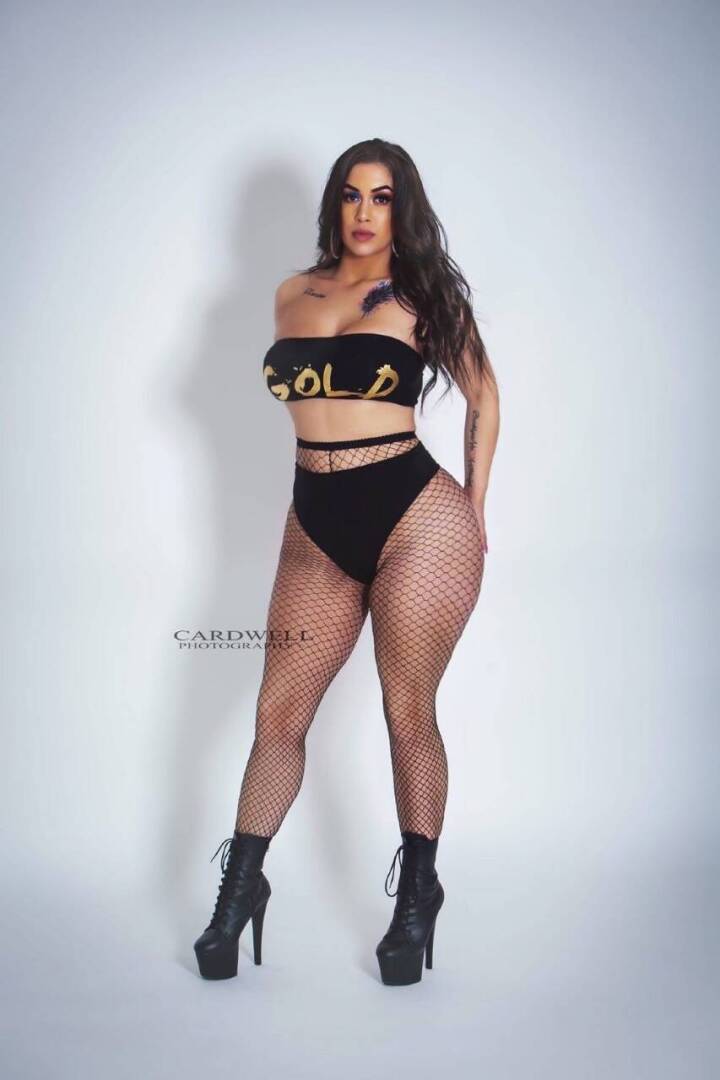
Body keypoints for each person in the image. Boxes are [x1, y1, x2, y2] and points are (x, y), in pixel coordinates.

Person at [194, 137, 500, 986]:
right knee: (277, 716)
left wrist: (475, 506)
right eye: (353, 195)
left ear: (403, 209)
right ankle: (241, 890)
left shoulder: (421, 294)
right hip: (316, 522)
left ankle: (418, 897)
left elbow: (483, 391)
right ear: (335, 204)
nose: (366, 213)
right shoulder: (292, 293)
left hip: (416, 518)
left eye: (383, 197)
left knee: (407, 711)